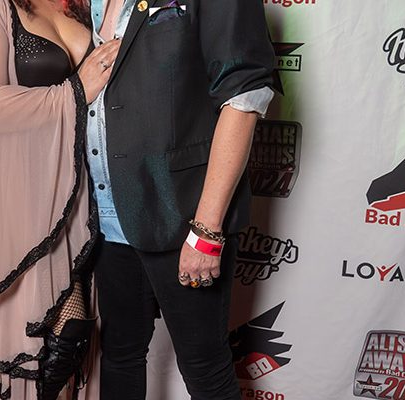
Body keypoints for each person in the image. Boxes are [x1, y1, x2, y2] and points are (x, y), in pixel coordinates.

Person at [86, 0, 276, 399]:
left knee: (205, 369)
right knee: (119, 354)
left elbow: (245, 97)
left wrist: (206, 229)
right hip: (104, 215)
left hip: (182, 213)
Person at [0, 0, 120, 399]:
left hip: (73, 190)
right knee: (33, 339)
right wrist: (76, 91)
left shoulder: (83, 3)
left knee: (70, 340)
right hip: (10, 192)